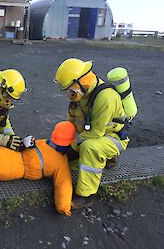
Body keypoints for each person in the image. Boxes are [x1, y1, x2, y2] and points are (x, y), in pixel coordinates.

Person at [54, 58, 129, 209]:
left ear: (80, 82)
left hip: (112, 138)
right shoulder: (82, 95)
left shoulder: (105, 97)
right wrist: (60, 144)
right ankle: (109, 158)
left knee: (89, 147)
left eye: (70, 89)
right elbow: (72, 121)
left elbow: (95, 133)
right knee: (68, 147)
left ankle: (86, 195)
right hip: (95, 135)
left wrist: (73, 148)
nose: (69, 94)